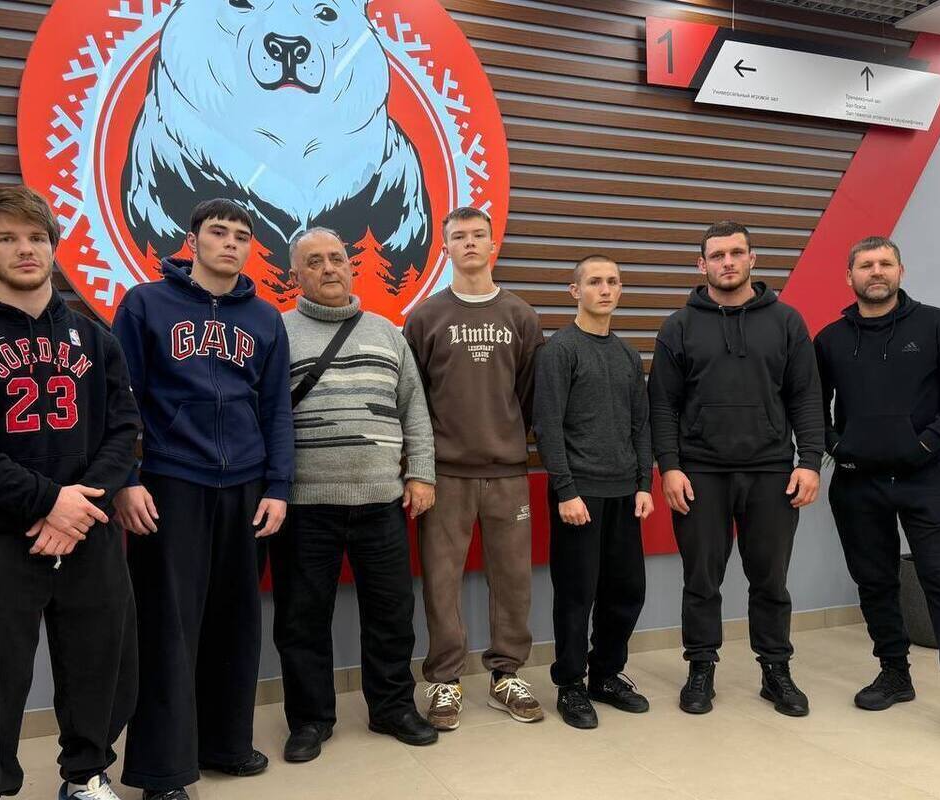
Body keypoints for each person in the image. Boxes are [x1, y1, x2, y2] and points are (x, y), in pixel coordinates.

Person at [0, 186, 139, 800]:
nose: (25, 249)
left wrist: (76, 509)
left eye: (37, 237)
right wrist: (48, 502)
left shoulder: (96, 340)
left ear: (53, 247)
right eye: (8, 238)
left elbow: (124, 431)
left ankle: (86, 776)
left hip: (88, 531)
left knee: (102, 663)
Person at [111, 199, 295, 799]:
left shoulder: (265, 319)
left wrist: (278, 486)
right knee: (168, 627)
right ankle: (163, 772)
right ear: (192, 240)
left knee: (236, 622)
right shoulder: (145, 305)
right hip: (171, 483)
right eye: (219, 232)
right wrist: (126, 478)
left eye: (242, 235)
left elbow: (276, 408)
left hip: (245, 486)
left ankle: (226, 743)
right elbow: (120, 399)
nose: (231, 243)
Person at [814, 236, 940, 746]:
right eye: (866, 264)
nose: (876, 271)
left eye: (885, 263)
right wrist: (836, 446)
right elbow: (808, 403)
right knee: (874, 583)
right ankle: (894, 673)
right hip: (857, 482)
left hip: (925, 480)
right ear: (849, 276)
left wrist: (927, 443)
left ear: (900, 271)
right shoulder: (830, 339)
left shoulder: (936, 325)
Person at [271, 226, 438, 763]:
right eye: (314, 261)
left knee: (391, 614)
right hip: (305, 504)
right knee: (301, 620)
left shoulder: (387, 333)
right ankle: (310, 720)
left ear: (350, 265)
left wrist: (422, 474)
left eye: (336, 258)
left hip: (382, 501)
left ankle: (392, 708)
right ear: (295, 275)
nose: (329, 268)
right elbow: (264, 416)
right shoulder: (277, 334)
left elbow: (414, 408)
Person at [647, 220, 823, 718]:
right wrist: (669, 467)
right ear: (701, 264)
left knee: (770, 579)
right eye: (717, 255)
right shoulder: (678, 327)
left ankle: (776, 671)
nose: (728, 262)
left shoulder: (786, 322)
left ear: (752, 259)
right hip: (700, 473)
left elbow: (806, 396)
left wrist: (810, 461)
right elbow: (662, 404)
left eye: (736, 253)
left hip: (771, 471)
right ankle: (701, 668)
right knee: (701, 580)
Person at [403, 206, 545, 730]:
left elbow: (528, 394)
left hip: (507, 471)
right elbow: (413, 399)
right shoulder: (425, 317)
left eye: (478, 235)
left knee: (513, 580)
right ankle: (444, 680)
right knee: (441, 581)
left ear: (492, 244)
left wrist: (505, 439)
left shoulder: (520, 316)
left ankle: (506, 674)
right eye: (458, 236)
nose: (469, 243)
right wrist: (420, 467)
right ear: (445, 248)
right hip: (445, 474)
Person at [533, 254, 655, 729]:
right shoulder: (560, 351)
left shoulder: (627, 355)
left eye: (613, 282)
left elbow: (640, 424)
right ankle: (570, 684)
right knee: (576, 595)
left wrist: (644, 484)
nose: (605, 290)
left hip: (625, 494)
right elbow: (547, 426)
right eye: (595, 282)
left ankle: (605, 674)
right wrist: (565, 490)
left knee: (626, 591)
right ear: (575, 291)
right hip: (578, 495)